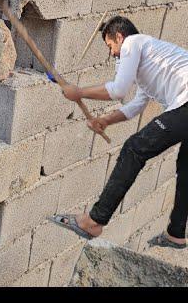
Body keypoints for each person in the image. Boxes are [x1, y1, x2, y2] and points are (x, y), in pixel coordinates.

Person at [52, 16, 188, 249]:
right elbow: (135, 105)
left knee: (134, 148)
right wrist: (106, 120)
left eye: (110, 46)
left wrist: (79, 92)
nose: (113, 53)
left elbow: (118, 89)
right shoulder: (151, 62)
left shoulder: (133, 43)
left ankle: (94, 221)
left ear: (119, 36)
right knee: (185, 169)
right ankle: (176, 233)